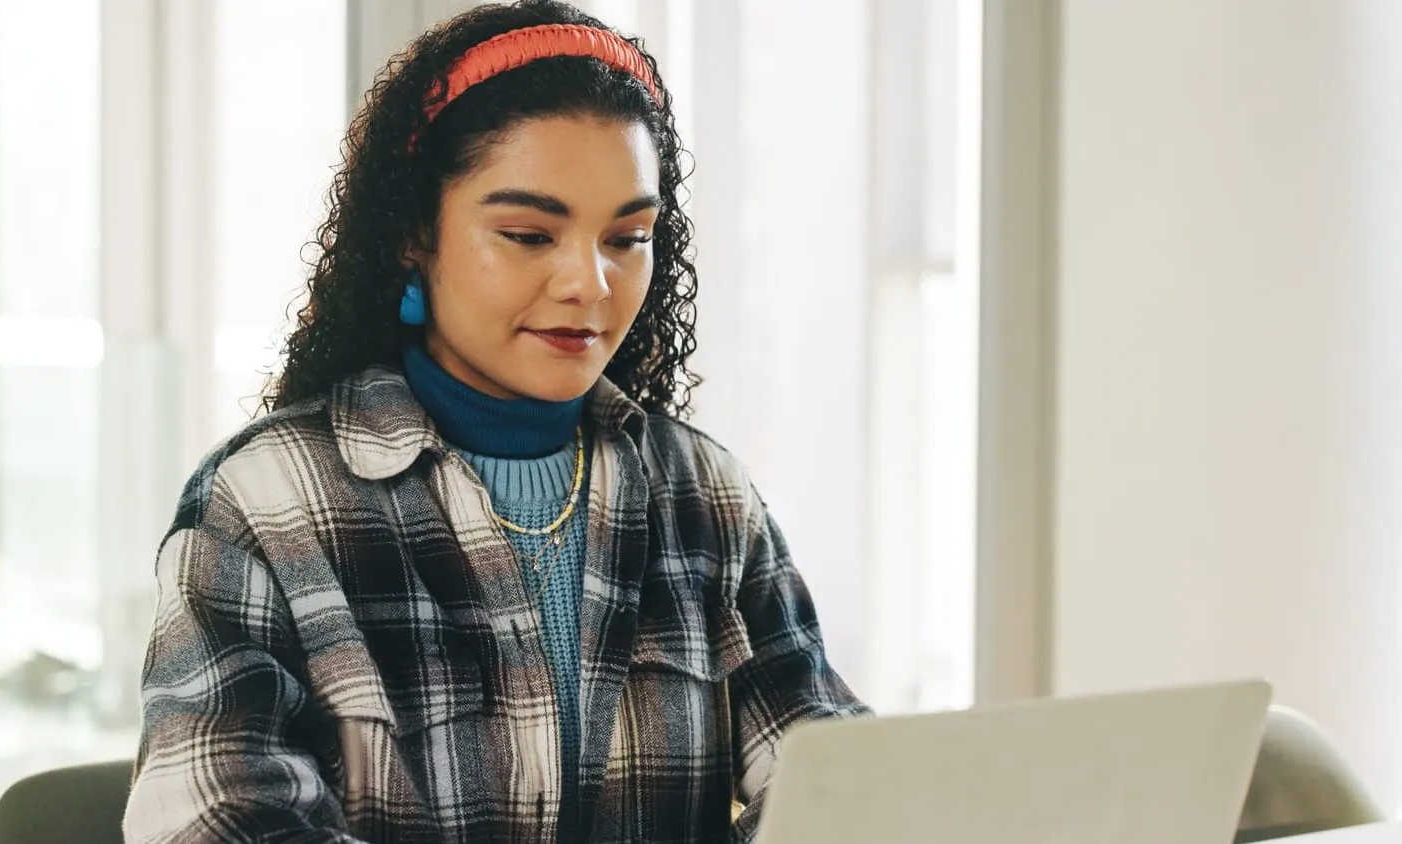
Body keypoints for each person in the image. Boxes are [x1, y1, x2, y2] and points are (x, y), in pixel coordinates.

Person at [122, 2, 867, 841]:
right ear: (415, 235)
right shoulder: (263, 506)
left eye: (627, 237)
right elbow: (220, 819)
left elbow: (833, 790)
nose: (590, 284)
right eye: (527, 233)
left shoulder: (707, 498)